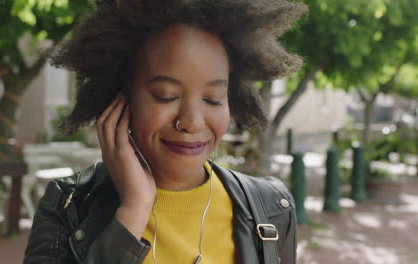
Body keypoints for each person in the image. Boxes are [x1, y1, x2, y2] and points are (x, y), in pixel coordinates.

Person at [23, 0, 307, 263]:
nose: (192, 122)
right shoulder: (67, 207)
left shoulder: (272, 209)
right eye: (165, 95)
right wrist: (133, 210)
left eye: (213, 99)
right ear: (122, 99)